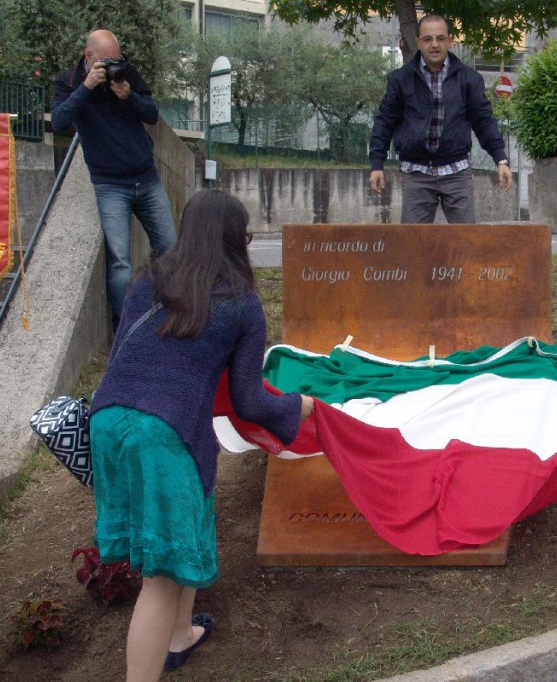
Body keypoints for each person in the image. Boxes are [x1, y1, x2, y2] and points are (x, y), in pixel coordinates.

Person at [87, 189, 315, 681]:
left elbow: (128, 360)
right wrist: (299, 405)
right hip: (162, 430)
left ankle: (181, 634)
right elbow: (250, 400)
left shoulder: (148, 282)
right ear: (238, 239)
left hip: (108, 419)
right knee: (161, 578)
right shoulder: (241, 304)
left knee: (194, 508)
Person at [52, 29, 178, 330]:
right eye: (107, 62)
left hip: (146, 178)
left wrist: (129, 95)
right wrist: (86, 87)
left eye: (117, 60)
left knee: (172, 249)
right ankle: (125, 329)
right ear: (89, 56)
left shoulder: (125, 73)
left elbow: (151, 114)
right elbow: (59, 121)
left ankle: (171, 315)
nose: (113, 67)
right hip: (110, 185)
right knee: (120, 262)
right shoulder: (69, 82)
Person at [368, 14, 514, 224]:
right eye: (427, 39)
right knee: (413, 246)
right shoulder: (400, 80)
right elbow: (384, 122)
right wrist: (376, 164)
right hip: (416, 173)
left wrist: (501, 160)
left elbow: (484, 122)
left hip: (456, 172)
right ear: (418, 42)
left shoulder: (469, 80)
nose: (434, 45)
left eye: (440, 38)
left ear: (450, 41)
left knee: (466, 244)